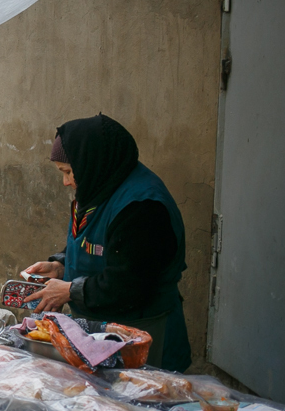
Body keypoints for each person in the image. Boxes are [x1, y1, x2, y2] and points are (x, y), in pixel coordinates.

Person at [22, 114, 191, 371]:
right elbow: (97, 244)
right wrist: (61, 264)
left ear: (91, 162)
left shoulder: (143, 207)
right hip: (101, 335)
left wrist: (68, 290)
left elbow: (128, 283)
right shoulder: (99, 185)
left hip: (141, 335)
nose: (66, 182)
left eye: (68, 172)